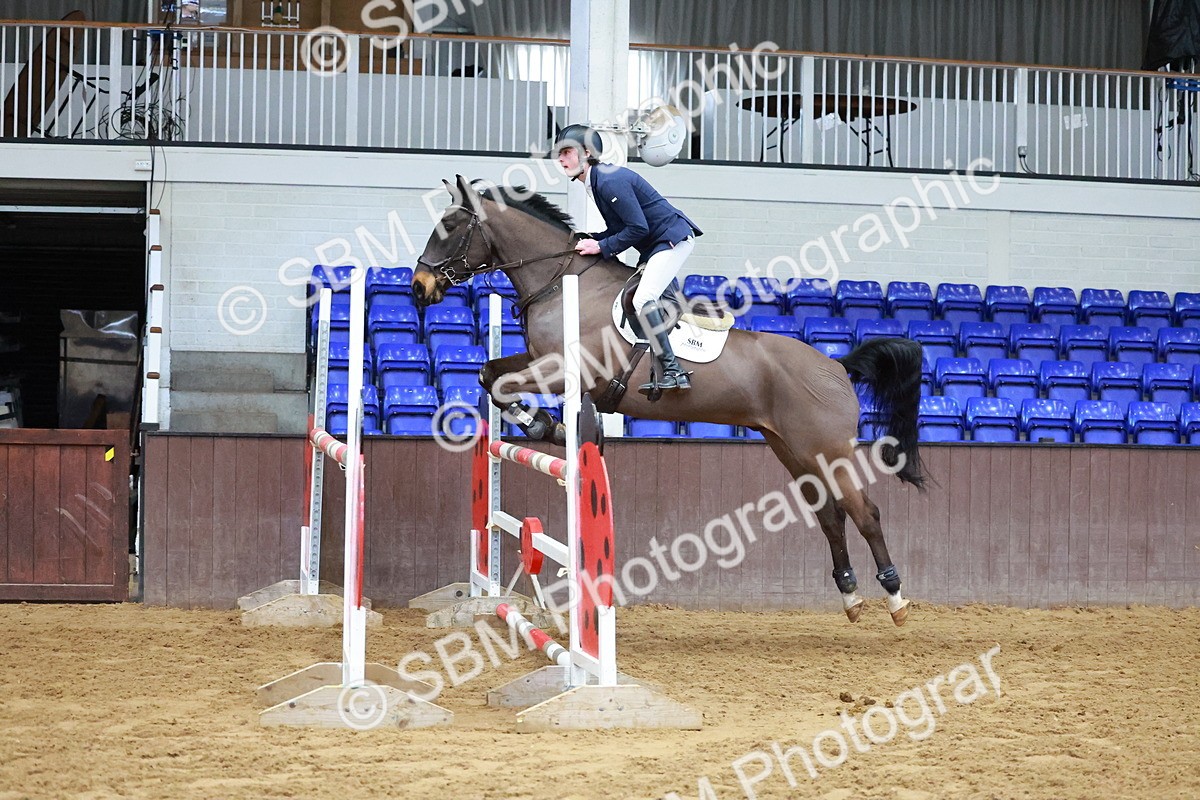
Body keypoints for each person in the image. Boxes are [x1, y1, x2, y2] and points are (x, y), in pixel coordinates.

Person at [553, 124, 703, 395]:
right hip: (655, 245)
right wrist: (592, 238)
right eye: (558, 154)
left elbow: (637, 229)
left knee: (642, 299)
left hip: (671, 240)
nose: (560, 159)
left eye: (567, 152)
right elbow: (621, 228)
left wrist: (600, 246)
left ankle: (673, 370)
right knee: (651, 301)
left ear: (587, 153)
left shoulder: (609, 180)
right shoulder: (597, 181)